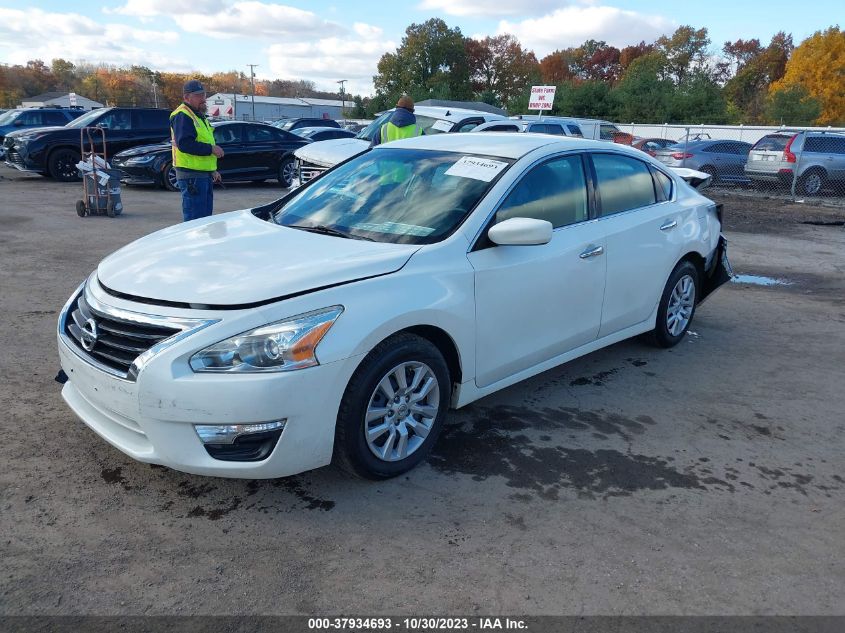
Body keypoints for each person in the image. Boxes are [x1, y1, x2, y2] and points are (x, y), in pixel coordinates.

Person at [170, 80, 224, 222]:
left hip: (201, 175)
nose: (203, 99)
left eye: (204, 95)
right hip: (191, 176)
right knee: (195, 223)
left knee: (204, 221)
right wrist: (211, 149)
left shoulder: (198, 115)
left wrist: (211, 170)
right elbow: (185, 144)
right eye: (199, 95)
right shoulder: (183, 115)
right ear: (187, 97)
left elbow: (201, 141)